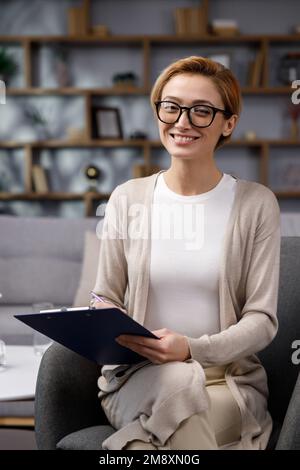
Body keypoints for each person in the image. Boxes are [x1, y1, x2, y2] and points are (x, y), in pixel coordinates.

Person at [91, 56, 281, 450]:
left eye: (202, 111)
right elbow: (105, 296)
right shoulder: (128, 199)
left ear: (229, 123)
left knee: (167, 424)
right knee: (179, 382)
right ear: (158, 110)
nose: (182, 122)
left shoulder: (256, 204)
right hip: (140, 379)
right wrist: (103, 320)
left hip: (225, 380)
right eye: (171, 106)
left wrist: (193, 349)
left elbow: (262, 321)